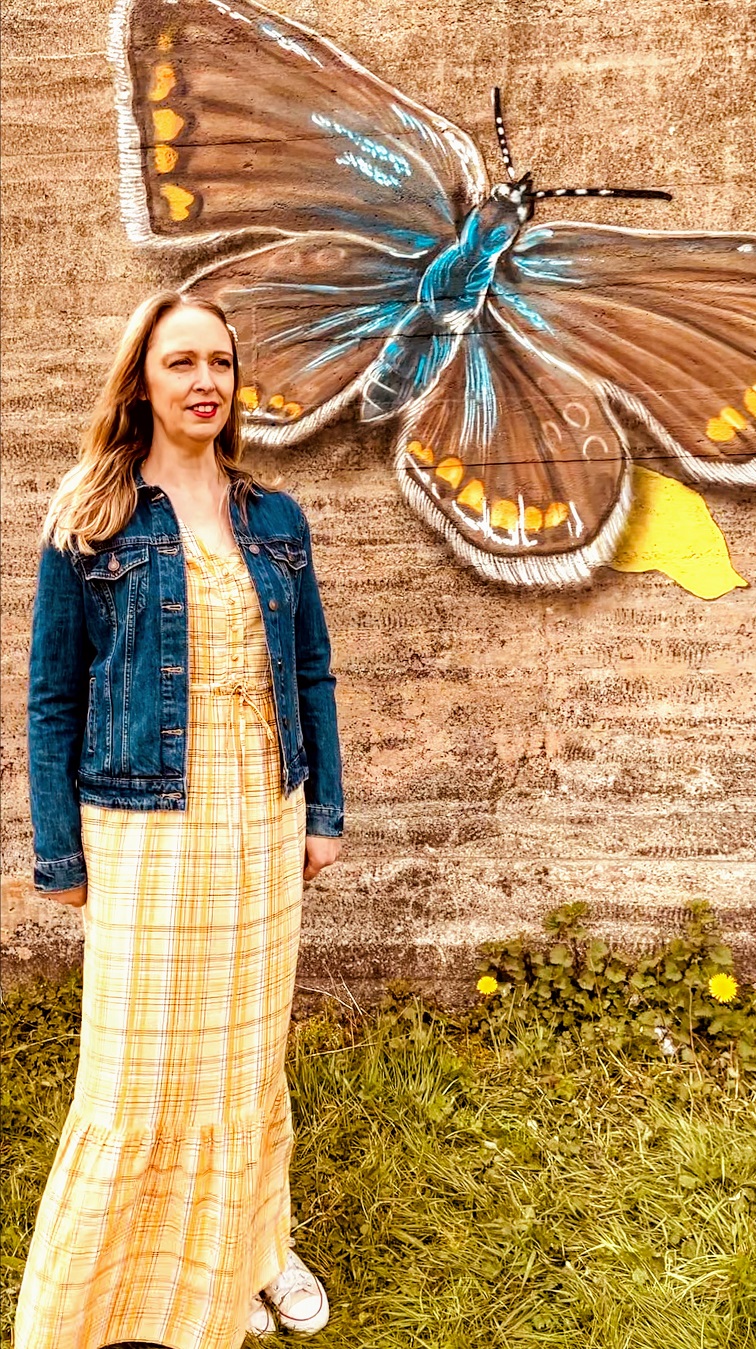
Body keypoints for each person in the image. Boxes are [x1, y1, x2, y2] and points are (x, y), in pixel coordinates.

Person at [17, 291, 344, 1349]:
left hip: (262, 811)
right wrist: (56, 847)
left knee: (247, 1057)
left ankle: (254, 1254)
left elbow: (314, 673)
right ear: (143, 379)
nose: (205, 380)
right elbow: (52, 692)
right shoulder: (92, 514)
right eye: (181, 362)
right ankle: (102, 1296)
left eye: (221, 363)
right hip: (147, 824)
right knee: (136, 1063)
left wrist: (322, 809)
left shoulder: (277, 520)